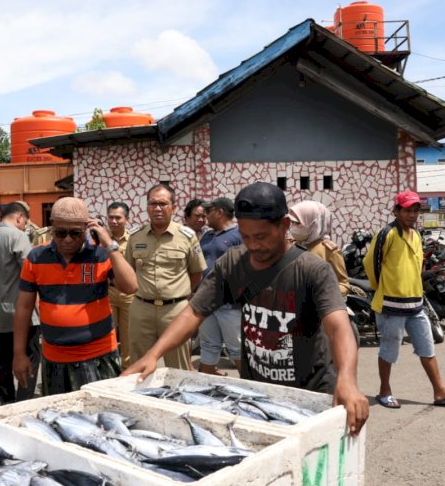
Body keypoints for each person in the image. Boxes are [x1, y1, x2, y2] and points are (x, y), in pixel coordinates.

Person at [124, 182, 369, 436]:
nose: (253, 245)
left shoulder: (312, 270)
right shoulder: (233, 262)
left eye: (261, 236)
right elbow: (193, 312)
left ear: (284, 226)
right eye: (245, 236)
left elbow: (338, 327)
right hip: (257, 395)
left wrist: (348, 379)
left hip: (309, 394)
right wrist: (154, 354)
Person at [13, 197, 137, 395]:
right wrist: (19, 354)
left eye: (75, 233)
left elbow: (130, 286)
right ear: (51, 226)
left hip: (99, 356)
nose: (68, 239)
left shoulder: (100, 254)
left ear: (86, 228)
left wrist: (109, 243)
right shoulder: (36, 257)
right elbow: (24, 308)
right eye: (60, 233)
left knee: (101, 416)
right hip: (55, 358)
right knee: (61, 416)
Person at [363, 190, 445, 409]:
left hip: (416, 303)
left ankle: (440, 391)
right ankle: (384, 391)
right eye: (407, 210)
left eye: (415, 211)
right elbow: (371, 263)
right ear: (396, 211)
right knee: (389, 349)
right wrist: (381, 287)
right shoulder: (388, 233)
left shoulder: (416, 235)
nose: (412, 215)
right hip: (390, 304)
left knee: (427, 346)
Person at [125, 184, 207, 371]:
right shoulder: (136, 237)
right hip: (141, 308)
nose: (157, 208)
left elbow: (196, 272)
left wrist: (181, 295)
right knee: (138, 363)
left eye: (163, 203)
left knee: (178, 366)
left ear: (173, 207)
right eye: (153, 204)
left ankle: (177, 400)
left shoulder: (187, 236)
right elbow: (129, 271)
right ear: (147, 207)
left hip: (175, 310)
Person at [0, 202, 38, 403]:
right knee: (29, 356)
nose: (25, 226)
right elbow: (31, 270)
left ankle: (6, 400)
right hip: (20, 311)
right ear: (19, 218)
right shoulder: (18, 236)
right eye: (25, 222)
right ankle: (25, 400)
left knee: (4, 358)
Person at [197, 197, 243, 376]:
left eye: (208, 211)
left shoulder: (239, 235)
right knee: (208, 344)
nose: (205, 216)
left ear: (219, 212)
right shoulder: (207, 235)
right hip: (206, 301)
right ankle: (205, 386)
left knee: (236, 346)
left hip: (229, 303)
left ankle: (252, 388)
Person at [288, 201, 350, 297]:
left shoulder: (329, 251)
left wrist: (321, 293)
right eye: (292, 222)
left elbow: (343, 284)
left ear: (314, 223)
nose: (293, 227)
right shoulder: (293, 245)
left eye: (297, 223)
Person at [107, 201, 135, 366]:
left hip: (129, 295)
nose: (114, 221)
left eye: (118, 217)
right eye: (111, 217)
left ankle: (127, 368)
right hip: (107, 293)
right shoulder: (100, 239)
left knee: (129, 336)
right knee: (107, 333)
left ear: (126, 219)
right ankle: (108, 367)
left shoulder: (133, 239)